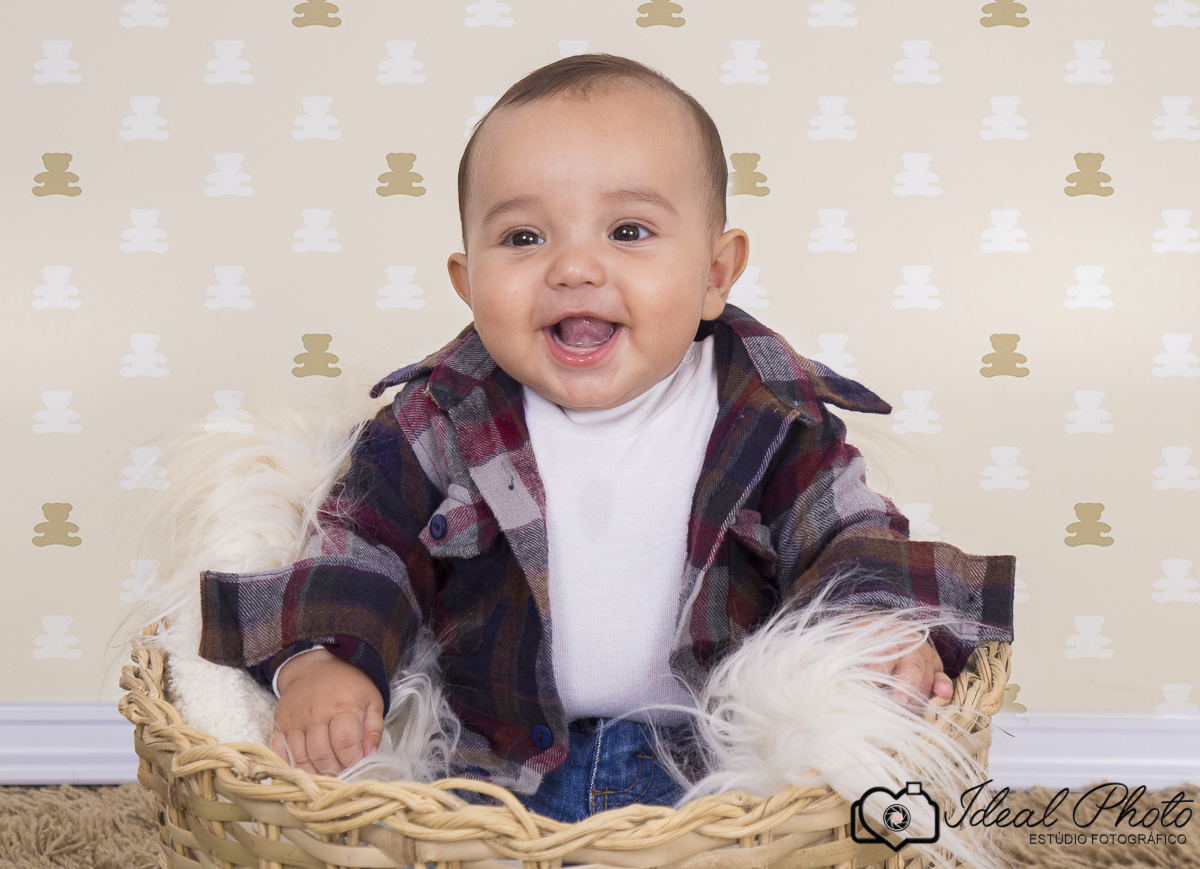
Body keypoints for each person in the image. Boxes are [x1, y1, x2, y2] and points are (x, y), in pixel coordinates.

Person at [199, 53, 1014, 823]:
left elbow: (845, 527)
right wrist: (323, 662)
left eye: (628, 231)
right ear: (468, 282)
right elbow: (359, 542)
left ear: (715, 274)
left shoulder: (764, 416)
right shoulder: (441, 418)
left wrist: (876, 625)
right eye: (524, 238)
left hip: (705, 760)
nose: (575, 267)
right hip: (491, 763)